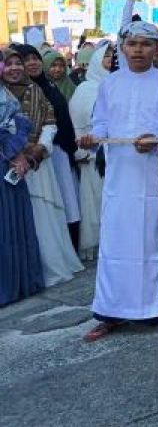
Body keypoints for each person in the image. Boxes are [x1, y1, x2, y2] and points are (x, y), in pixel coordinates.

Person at [78, 21, 158, 341]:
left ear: (157, 48)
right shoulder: (109, 84)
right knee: (117, 242)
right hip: (120, 180)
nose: (139, 50)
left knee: (157, 240)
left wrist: (157, 139)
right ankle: (112, 310)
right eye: (133, 44)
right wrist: (92, 138)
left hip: (156, 177)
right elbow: (101, 123)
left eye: (146, 44)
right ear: (123, 48)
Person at [3, 47, 82, 288]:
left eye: (19, 63)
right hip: (9, 166)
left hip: (38, 165)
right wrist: (15, 151)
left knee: (44, 214)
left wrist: (39, 148)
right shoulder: (2, 94)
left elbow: (50, 121)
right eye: (10, 63)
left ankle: (48, 268)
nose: (15, 68)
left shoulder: (36, 90)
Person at [21, 45, 83, 254]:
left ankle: (68, 246)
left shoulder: (48, 86)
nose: (33, 63)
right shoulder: (19, 91)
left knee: (66, 200)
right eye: (26, 59)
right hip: (34, 159)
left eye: (35, 58)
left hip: (59, 152)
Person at [68, 39, 113, 261]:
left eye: (113, 57)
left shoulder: (119, 85)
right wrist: (82, 149)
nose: (110, 61)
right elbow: (76, 122)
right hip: (91, 156)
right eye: (106, 56)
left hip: (117, 155)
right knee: (95, 204)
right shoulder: (85, 89)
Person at [0, 76, 43, 307]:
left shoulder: (5, 93)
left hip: (7, 168)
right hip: (6, 161)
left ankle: (16, 283)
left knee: (12, 222)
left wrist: (18, 152)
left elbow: (13, 126)